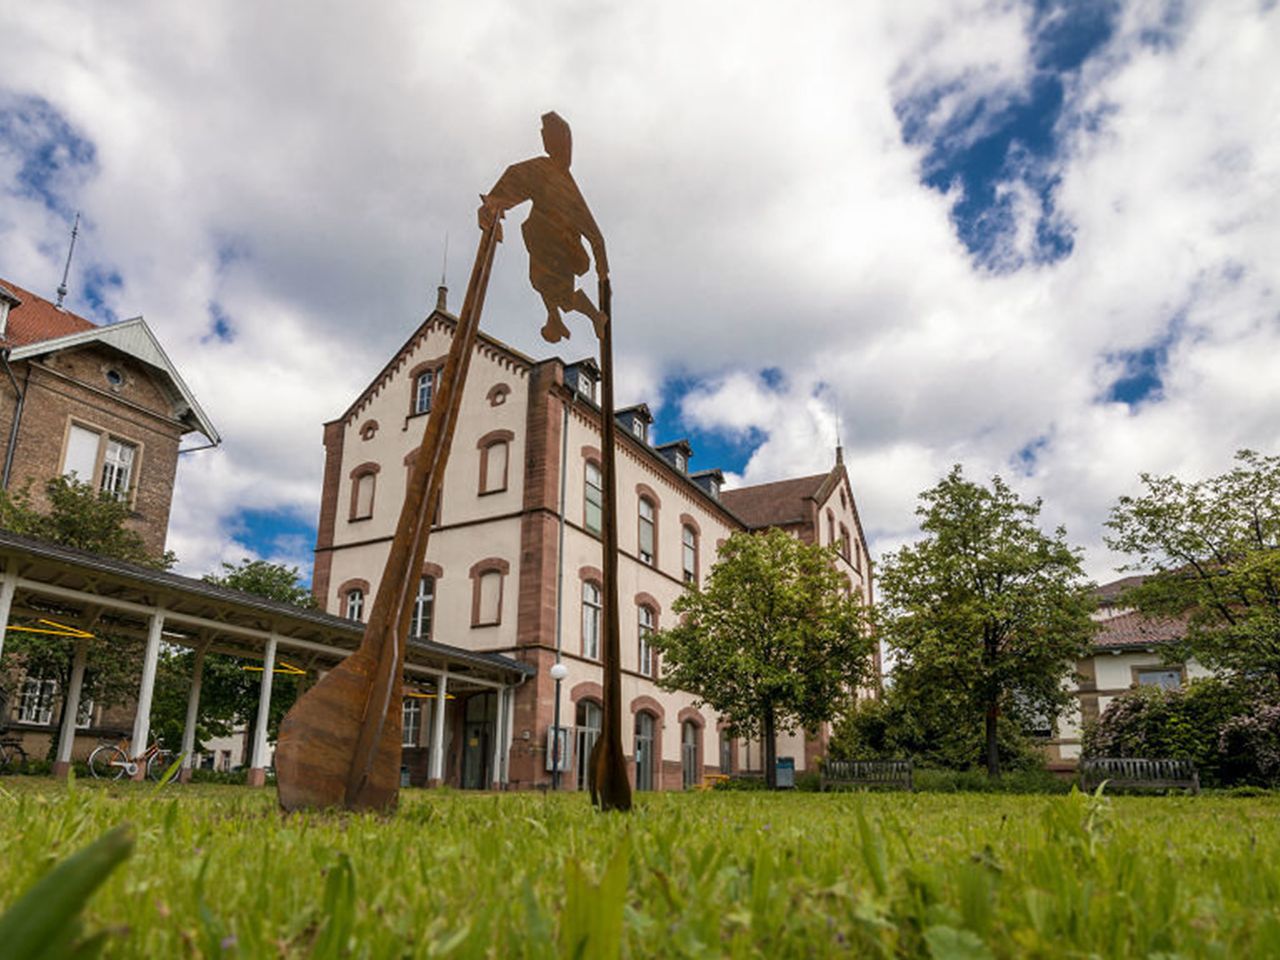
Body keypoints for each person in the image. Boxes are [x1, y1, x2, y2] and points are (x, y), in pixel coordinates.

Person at [479, 112, 609, 343]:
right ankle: (579, 317)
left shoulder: (558, 180)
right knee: (543, 283)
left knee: (550, 286)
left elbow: (591, 229)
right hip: (543, 241)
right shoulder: (544, 170)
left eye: (549, 136)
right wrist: (494, 205)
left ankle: (587, 317)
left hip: (557, 245)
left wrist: (602, 268)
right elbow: (516, 178)